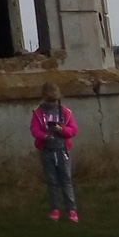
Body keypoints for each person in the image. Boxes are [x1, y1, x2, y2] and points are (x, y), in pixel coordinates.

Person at [30, 82, 79, 222]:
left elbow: (74, 130)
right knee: (52, 181)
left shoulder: (66, 112)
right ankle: (55, 209)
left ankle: (71, 209)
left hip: (62, 150)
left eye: (54, 101)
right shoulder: (38, 112)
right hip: (47, 150)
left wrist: (62, 130)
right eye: (49, 101)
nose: (51, 104)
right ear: (43, 98)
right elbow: (34, 129)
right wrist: (44, 136)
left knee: (66, 180)